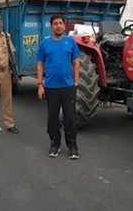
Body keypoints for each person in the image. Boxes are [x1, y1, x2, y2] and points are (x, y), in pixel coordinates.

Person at [37, 14, 81, 159]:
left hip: (68, 87)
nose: (58, 26)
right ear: (51, 26)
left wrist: (76, 81)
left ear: (64, 25)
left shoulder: (71, 42)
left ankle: (72, 146)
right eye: (55, 23)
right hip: (51, 87)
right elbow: (40, 64)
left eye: (60, 23)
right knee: (52, 118)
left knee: (70, 118)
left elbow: (76, 62)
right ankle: (55, 144)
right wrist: (40, 84)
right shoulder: (45, 44)